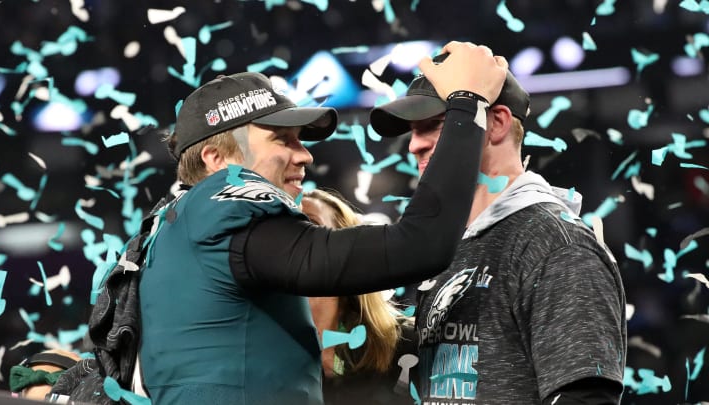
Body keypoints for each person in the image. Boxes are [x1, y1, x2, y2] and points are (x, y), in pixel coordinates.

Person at [138, 41, 509, 405]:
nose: (305, 155)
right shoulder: (222, 215)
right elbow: (420, 244)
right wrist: (468, 104)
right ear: (217, 159)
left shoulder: (167, 231)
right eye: (282, 139)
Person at [369, 51, 627, 404]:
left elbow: (586, 398)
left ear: (497, 123)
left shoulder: (555, 243)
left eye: (433, 124)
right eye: (412, 130)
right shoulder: (452, 246)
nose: (414, 144)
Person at [301, 188, 417, 405]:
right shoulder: (258, 346)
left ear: (348, 247)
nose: (293, 240)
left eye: (308, 225)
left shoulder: (405, 341)